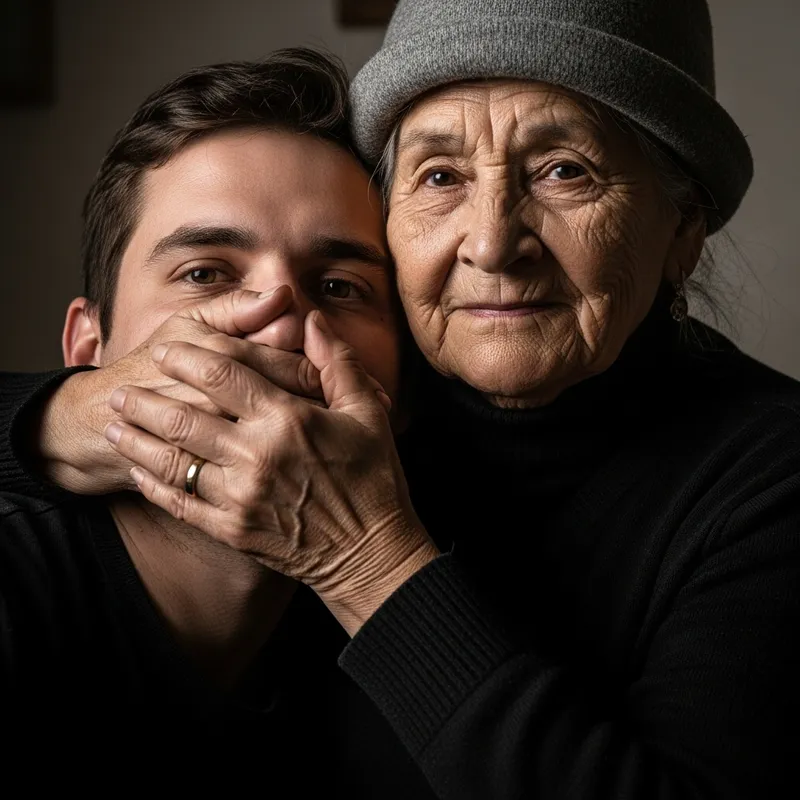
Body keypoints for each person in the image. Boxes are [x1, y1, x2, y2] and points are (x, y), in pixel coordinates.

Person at [2, 2, 799, 798]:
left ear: (685, 229)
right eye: (441, 176)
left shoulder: (767, 474)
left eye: (565, 170)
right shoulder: (362, 371)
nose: (490, 245)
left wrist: (366, 561)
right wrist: (72, 414)